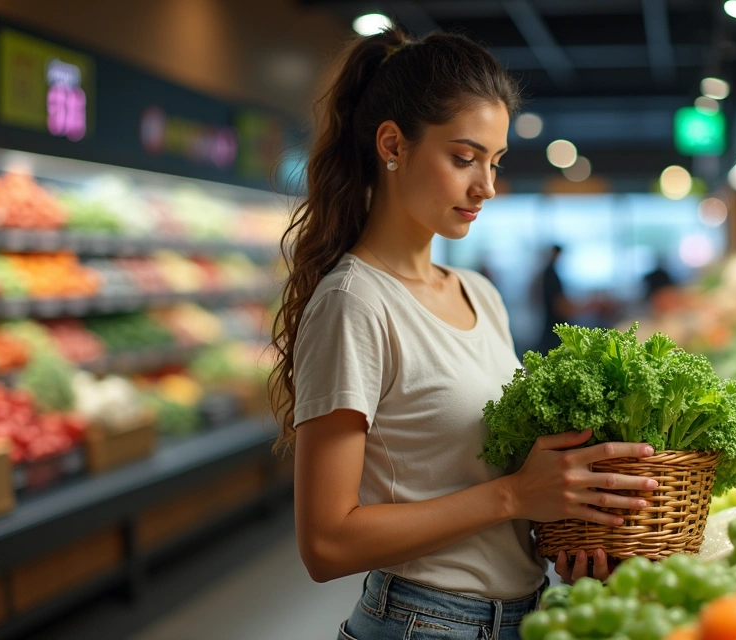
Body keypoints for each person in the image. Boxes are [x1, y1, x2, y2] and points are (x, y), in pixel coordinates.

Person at [270, 27, 655, 640]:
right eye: (464, 157)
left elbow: (489, 487)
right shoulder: (355, 304)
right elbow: (326, 542)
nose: (487, 186)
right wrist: (514, 497)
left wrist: (567, 537)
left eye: (496, 162)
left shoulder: (480, 295)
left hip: (523, 614)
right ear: (393, 145)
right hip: (422, 623)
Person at [536, 245, 573, 353]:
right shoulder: (550, 274)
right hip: (554, 330)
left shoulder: (547, 272)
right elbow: (559, 306)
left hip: (550, 326)